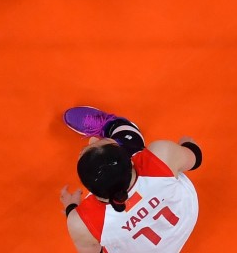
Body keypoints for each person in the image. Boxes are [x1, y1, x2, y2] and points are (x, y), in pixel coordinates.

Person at [60, 105, 202, 252]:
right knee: (129, 141)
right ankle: (115, 126)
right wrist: (185, 145)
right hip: (185, 218)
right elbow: (195, 157)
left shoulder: (81, 222)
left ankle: (112, 126)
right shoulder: (162, 156)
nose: (93, 139)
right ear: (132, 162)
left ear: (93, 194)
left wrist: (72, 209)